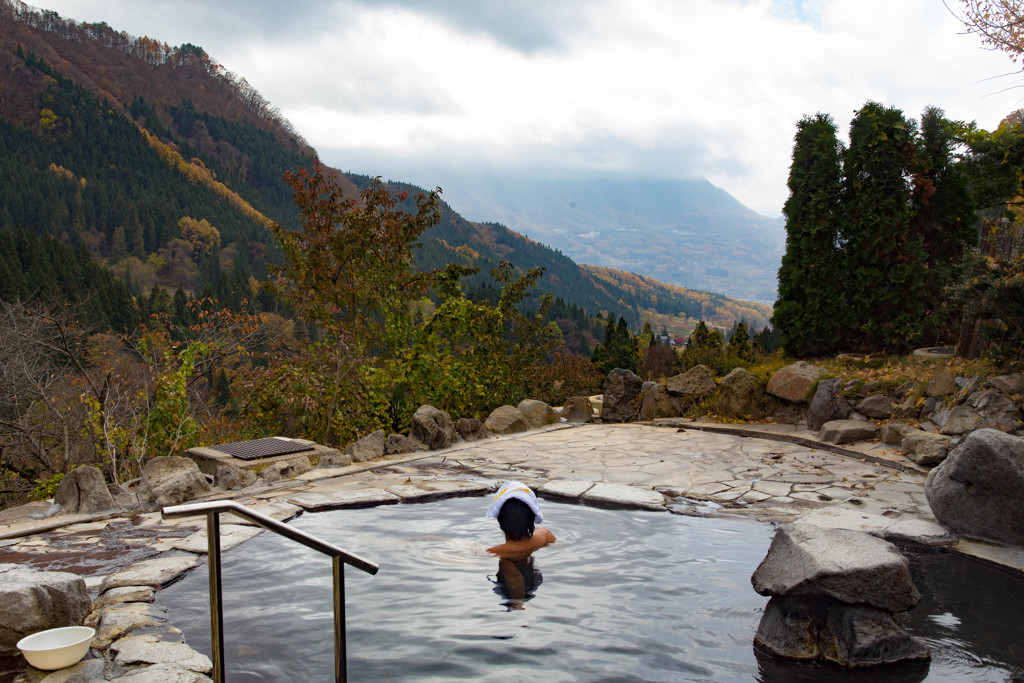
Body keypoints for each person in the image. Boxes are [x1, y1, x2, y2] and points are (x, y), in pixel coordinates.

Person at [485, 481, 555, 604]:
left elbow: (515, 577)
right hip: (531, 574)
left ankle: (518, 603)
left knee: (505, 563)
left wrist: (517, 603)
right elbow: (554, 541)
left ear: (499, 520)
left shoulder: (500, 553)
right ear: (533, 517)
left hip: (517, 589)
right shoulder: (543, 536)